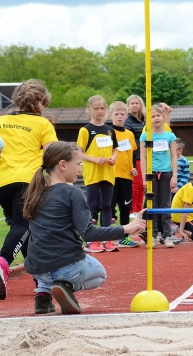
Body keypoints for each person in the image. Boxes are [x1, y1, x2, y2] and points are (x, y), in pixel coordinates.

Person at [23, 142, 146, 314]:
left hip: (36, 269)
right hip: (66, 266)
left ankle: (43, 295)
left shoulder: (35, 192)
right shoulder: (73, 193)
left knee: (52, 260)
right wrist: (126, 228)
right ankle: (65, 287)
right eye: (79, 164)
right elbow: (88, 233)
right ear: (63, 165)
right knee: (100, 274)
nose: (80, 170)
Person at [0, 80, 58, 301]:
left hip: (2, 182)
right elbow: (52, 155)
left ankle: (39, 278)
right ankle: (3, 262)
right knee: (23, 225)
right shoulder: (43, 124)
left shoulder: (2, 120)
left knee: (28, 229)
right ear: (41, 102)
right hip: (27, 181)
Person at [77, 95, 119, 253]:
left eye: (102, 108)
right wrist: (95, 159)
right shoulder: (85, 130)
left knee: (107, 205)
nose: (100, 111)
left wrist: (113, 158)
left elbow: (115, 150)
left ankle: (108, 240)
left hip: (108, 172)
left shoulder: (110, 130)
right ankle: (92, 240)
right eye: (96, 108)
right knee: (92, 205)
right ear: (89, 110)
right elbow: (79, 153)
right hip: (93, 172)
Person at [140, 104, 178, 248]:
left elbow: (174, 157)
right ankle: (154, 235)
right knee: (152, 205)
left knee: (165, 204)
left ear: (163, 117)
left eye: (158, 115)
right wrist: (144, 177)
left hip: (166, 172)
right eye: (152, 116)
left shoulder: (170, 136)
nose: (155, 118)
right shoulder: (145, 136)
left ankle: (168, 236)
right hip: (151, 173)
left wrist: (174, 176)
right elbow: (143, 158)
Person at [108, 101, 139, 248]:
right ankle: (106, 238)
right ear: (111, 115)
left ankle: (124, 237)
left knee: (125, 207)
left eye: (122, 114)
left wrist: (133, 168)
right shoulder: (107, 132)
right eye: (116, 114)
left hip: (126, 176)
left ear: (127, 116)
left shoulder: (130, 134)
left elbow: (132, 154)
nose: (119, 117)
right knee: (109, 206)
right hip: (111, 175)